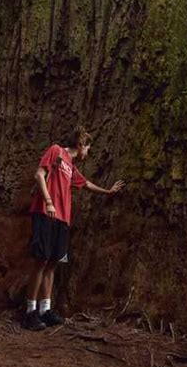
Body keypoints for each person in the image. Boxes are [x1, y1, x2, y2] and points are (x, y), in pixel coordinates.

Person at [22, 126, 125, 331]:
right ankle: (29, 312)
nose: (88, 153)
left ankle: (45, 310)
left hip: (62, 219)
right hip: (46, 212)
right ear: (80, 144)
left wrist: (108, 191)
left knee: (52, 263)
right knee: (41, 260)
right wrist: (49, 201)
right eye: (88, 148)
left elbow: (85, 184)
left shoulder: (71, 166)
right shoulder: (57, 151)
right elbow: (39, 175)